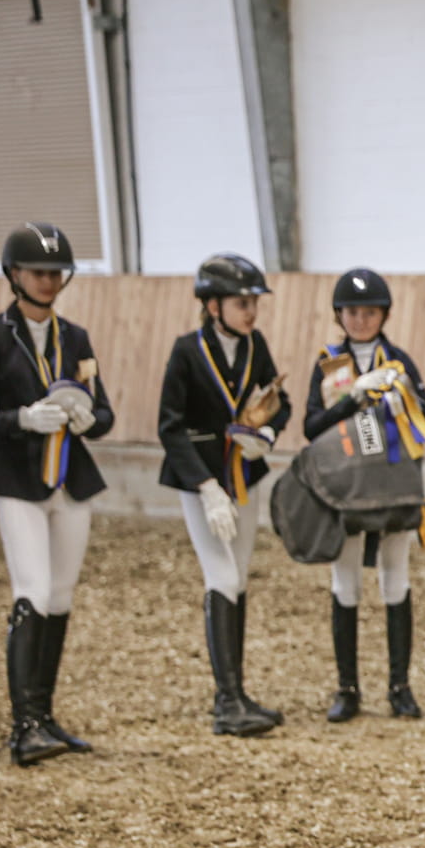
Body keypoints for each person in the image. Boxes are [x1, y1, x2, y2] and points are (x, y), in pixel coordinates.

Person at [0, 222, 116, 765]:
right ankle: (22, 725)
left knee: (62, 595)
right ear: (15, 275)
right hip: (19, 479)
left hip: (71, 477)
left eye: (55, 273)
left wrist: (88, 419)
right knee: (33, 590)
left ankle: (45, 715)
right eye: (38, 272)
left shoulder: (75, 338)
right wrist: (22, 418)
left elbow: (104, 412)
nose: (48, 281)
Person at [157, 253, 293, 735]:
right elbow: (169, 426)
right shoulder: (187, 351)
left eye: (253, 303)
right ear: (213, 306)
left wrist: (268, 433)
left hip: (243, 474)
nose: (251, 312)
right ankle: (226, 701)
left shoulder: (255, 345)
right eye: (241, 303)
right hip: (202, 479)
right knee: (221, 574)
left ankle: (236, 692)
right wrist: (206, 488)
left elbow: (280, 401)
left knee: (238, 578)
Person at [302, 268, 425, 720]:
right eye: (352, 312)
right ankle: (347, 688)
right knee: (345, 580)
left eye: (369, 312)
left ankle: (400, 686)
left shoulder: (398, 363)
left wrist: (400, 401)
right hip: (346, 487)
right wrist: (351, 401)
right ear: (339, 316)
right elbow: (311, 427)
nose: (361, 320)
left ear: (383, 315)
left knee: (394, 576)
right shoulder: (329, 364)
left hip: (392, 484)